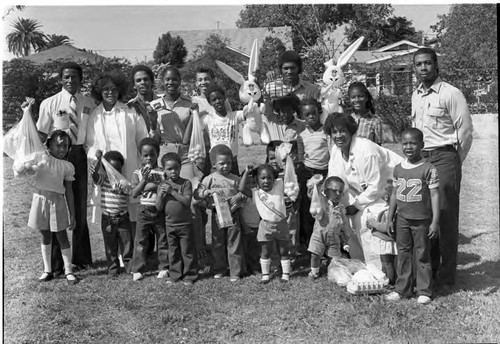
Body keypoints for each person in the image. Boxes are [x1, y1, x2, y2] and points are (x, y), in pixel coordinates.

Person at [411, 47, 473, 293]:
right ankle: (431, 272)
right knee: (427, 216)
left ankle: (447, 278)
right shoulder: (416, 95)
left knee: (445, 217)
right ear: (414, 68)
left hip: (445, 156)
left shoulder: (451, 93)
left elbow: (465, 132)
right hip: (422, 159)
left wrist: (455, 161)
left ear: (436, 65)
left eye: (427, 63)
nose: (423, 68)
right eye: (418, 64)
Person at [36, 61, 95, 272]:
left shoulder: (89, 102)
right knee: (54, 206)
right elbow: (41, 134)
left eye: (74, 77)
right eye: (66, 77)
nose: (70, 80)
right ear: (61, 79)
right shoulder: (49, 103)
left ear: (81, 79)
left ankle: (81, 258)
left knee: (79, 206)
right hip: (56, 156)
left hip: (78, 154)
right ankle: (55, 262)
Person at [325, 113, 404, 262]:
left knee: (366, 218)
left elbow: (377, 185)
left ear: (351, 131)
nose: (338, 136)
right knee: (344, 217)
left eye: (342, 131)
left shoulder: (366, 149)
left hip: (391, 190)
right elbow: (334, 181)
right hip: (369, 192)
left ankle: (380, 266)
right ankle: (360, 262)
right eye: (334, 132)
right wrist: (335, 204)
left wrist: (356, 205)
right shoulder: (336, 151)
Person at [86, 70, 148, 237]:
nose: (110, 92)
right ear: (100, 92)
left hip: (130, 169)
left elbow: (143, 140)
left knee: (132, 213)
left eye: (114, 89)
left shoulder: (130, 112)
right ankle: (116, 254)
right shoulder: (95, 115)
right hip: (107, 174)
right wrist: (96, 157)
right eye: (106, 89)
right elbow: (90, 144)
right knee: (110, 213)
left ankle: (133, 253)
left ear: (119, 90)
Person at [386, 128, 440, 305]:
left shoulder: (429, 169)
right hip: (402, 219)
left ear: (422, 145)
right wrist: (389, 217)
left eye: (413, 143)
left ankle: (424, 290)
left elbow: (434, 196)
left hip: (422, 220)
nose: (408, 147)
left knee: (422, 254)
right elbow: (394, 194)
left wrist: (434, 221)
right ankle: (403, 289)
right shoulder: (398, 168)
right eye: (405, 143)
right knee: (403, 253)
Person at [28, 129, 78, 284]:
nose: (62, 149)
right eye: (58, 145)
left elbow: (69, 191)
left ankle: (68, 271)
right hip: (41, 201)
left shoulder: (68, 166)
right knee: (45, 236)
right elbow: (32, 135)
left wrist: (73, 214)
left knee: (62, 236)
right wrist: (27, 111)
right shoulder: (41, 157)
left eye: (65, 146)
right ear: (49, 145)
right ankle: (47, 270)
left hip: (58, 203)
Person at [194, 144, 246, 282]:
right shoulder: (209, 179)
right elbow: (198, 194)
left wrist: (239, 196)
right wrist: (207, 192)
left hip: (233, 215)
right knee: (217, 243)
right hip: (217, 215)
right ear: (213, 164)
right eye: (222, 163)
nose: (225, 166)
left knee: (234, 243)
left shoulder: (236, 179)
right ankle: (219, 269)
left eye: (229, 163)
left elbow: (245, 193)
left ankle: (235, 272)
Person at [241, 164, 291, 283]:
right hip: (265, 226)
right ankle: (265, 275)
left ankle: (285, 274)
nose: (266, 181)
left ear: (274, 179)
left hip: (281, 224)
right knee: (265, 251)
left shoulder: (279, 186)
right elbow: (242, 189)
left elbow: (287, 176)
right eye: (262, 178)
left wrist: (281, 166)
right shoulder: (255, 193)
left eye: (269, 178)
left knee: (283, 250)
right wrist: (246, 173)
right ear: (256, 180)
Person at [129, 138, 169, 281]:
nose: (149, 158)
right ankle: (137, 269)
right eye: (145, 155)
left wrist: (152, 187)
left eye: (152, 154)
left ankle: (164, 267)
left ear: (157, 154)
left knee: (162, 238)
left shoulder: (162, 172)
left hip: (158, 208)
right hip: (143, 210)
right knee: (141, 240)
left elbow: (164, 186)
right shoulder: (137, 173)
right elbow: (134, 193)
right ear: (140, 155)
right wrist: (145, 181)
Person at [156, 152, 197, 285]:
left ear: (180, 168)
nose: (173, 171)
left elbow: (186, 201)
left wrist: (172, 192)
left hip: (185, 224)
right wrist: (161, 195)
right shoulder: (162, 185)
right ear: (164, 170)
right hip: (170, 224)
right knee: (173, 251)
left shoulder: (185, 184)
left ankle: (190, 275)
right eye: (169, 169)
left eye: (176, 168)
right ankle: (175, 275)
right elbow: (158, 207)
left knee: (187, 251)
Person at [90, 150, 133, 277]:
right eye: (111, 169)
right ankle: (113, 269)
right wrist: (98, 161)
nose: (114, 172)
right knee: (110, 246)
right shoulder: (103, 180)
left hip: (123, 218)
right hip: (108, 219)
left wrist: (123, 190)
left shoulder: (124, 182)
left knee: (126, 244)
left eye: (118, 169)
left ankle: (129, 267)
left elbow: (129, 191)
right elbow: (96, 177)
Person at [151, 66, 198, 181]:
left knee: (188, 186)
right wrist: (152, 120)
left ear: (180, 81)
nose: (171, 82)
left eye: (174, 79)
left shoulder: (189, 103)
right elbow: (154, 135)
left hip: (185, 153)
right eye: (167, 79)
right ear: (163, 81)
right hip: (165, 151)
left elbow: (194, 129)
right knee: (165, 189)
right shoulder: (155, 105)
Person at [297, 98, 330, 253]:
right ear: (303, 117)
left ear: (319, 113)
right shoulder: (302, 135)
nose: (311, 117)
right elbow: (300, 157)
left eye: (314, 113)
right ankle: (310, 244)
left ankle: (325, 242)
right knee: (308, 209)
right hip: (307, 174)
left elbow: (331, 153)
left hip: (324, 174)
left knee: (323, 209)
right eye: (307, 114)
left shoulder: (326, 132)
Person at [307, 176, 350, 280]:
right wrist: (316, 184)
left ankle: (333, 273)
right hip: (319, 234)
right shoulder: (322, 202)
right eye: (334, 191)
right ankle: (314, 272)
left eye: (340, 191)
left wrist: (346, 235)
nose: (338, 194)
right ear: (326, 191)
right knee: (315, 254)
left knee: (334, 258)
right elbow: (312, 195)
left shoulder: (341, 207)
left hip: (334, 237)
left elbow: (344, 223)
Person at [200, 84, 246, 176]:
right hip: (216, 164)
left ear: (225, 98)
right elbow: (195, 127)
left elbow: (250, 112)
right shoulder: (207, 119)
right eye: (214, 100)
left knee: (234, 187)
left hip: (232, 162)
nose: (217, 101)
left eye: (219, 98)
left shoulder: (235, 116)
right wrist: (195, 112)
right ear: (210, 103)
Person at [365, 182, 398, 286]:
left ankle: (391, 282)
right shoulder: (385, 210)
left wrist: (374, 223)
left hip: (387, 241)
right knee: (384, 263)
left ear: (387, 197)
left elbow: (386, 227)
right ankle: (384, 280)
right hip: (382, 240)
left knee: (388, 263)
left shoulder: (391, 212)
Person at [127, 64, 160, 141]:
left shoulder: (162, 103)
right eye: (138, 80)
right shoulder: (129, 107)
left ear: (151, 81)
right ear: (134, 85)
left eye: (146, 79)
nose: (143, 82)